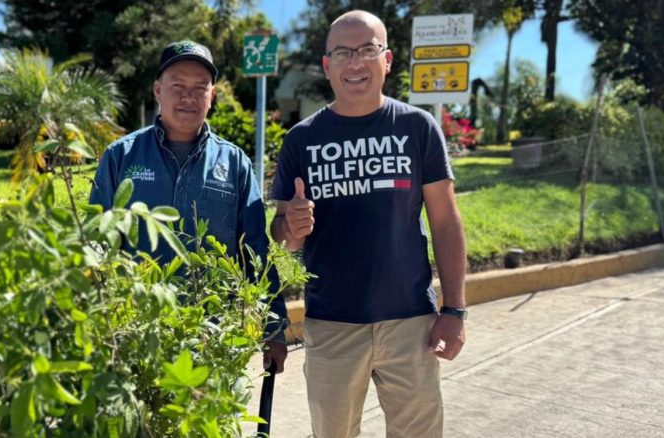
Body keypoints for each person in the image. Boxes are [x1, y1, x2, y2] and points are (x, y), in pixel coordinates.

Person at [270, 11, 467, 437]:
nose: (355, 63)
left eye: (367, 50)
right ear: (327, 65)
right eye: (342, 52)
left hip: (411, 323)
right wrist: (292, 227)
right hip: (331, 324)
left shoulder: (418, 128)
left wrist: (454, 309)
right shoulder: (302, 139)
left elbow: (446, 223)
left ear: (388, 60)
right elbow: (281, 235)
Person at [89, 40, 289, 373]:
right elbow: (97, 245)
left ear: (211, 96)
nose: (188, 97)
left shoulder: (234, 162)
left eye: (200, 88)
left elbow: (256, 249)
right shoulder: (121, 157)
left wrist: (275, 327)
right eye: (177, 86)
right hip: (136, 335)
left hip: (212, 341)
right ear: (157, 90)